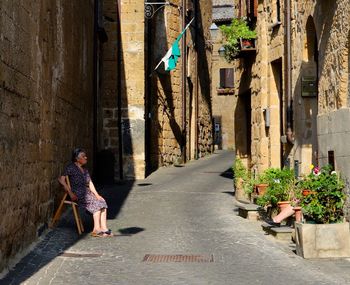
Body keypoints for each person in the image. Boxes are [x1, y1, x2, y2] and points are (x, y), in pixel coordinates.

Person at [58, 148, 113, 237]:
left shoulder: (85, 170)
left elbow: (90, 183)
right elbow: (61, 179)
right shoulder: (71, 167)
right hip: (78, 193)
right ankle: (96, 229)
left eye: (85, 156)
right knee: (96, 204)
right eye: (83, 156)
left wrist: (97, 195)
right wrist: (70, 193)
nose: (86, 157)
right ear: (77, 158)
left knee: (102, 201)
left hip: (86, 192)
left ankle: (104, 228)